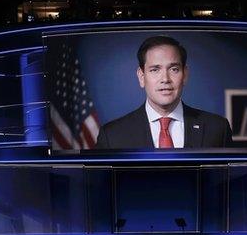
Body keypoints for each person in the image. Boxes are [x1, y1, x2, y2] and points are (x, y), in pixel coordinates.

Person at [95, 35, 233, 150]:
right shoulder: (112, 136)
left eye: (174, 69)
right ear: (141, 77)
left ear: (185, 75)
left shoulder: (217, 128)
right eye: (155, 70)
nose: (165, 79)